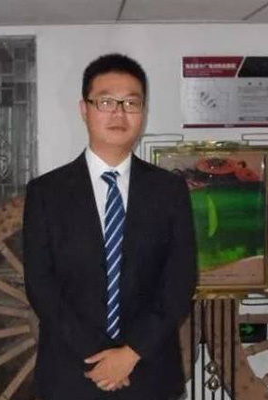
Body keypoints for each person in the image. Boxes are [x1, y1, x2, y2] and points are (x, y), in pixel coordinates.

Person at [22, 53, 197, 400]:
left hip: (149, 372)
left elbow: (179, 281)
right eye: (105, 102)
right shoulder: (46, 193)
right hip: (70, 374)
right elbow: (41, 285)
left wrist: (130, 355)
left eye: (131, 103)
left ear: (143, 112)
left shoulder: (169, 190)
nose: (119, 113)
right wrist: (101, 358)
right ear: (84, 109)